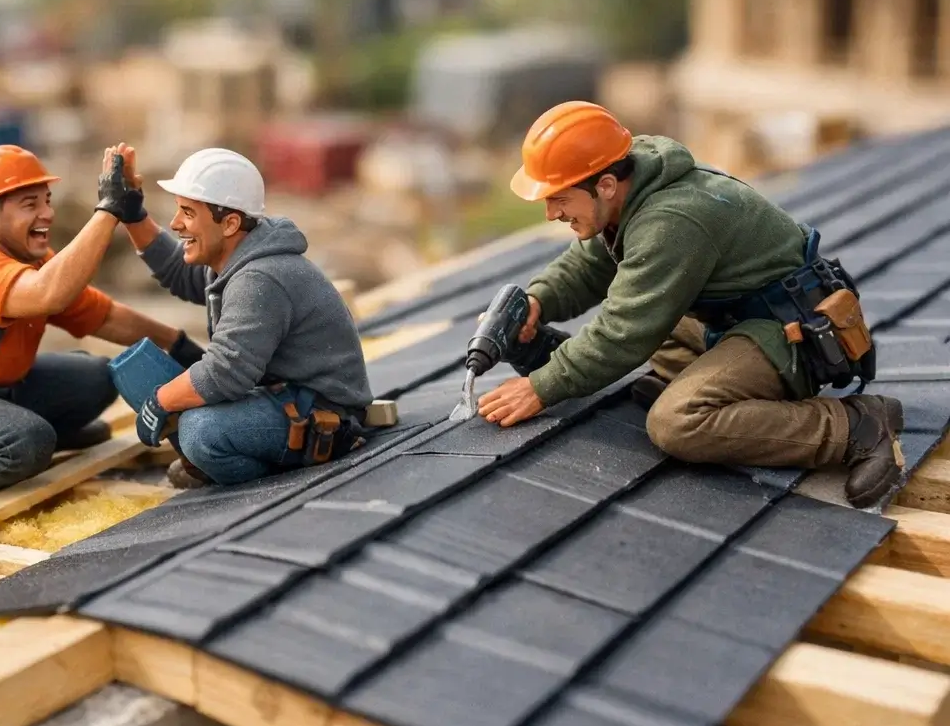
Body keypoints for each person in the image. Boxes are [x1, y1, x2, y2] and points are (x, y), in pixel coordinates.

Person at [476, 100, 903, 508]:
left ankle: (855, 425)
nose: (552, 213)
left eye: (559, 198)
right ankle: (706, 385)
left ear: (604, 185)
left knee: (676, 423)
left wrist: (542, 386)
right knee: (652, 313)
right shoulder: (629, 183)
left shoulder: (671, 222)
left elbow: (622, 334)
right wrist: (538, 300)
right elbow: (591, 265)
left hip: (790, 334)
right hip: (745, 316)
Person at [0, 143, 202, 522]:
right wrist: (108, 211)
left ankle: (19, 433)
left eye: (46, 201)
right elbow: (49, 293)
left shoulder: (31, 259)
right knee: (29, 443)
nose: (47, 213)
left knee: (99, 377)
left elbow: (105, 317)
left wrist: (181, 348)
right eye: (30, 205)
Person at [111, 145, 373, 488]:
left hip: (322, 416)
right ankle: (218, 460)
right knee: (138, 372)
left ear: (230, 222)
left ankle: (262, 479)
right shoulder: (235, 258)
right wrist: (132, 215)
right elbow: (178, 270)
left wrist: (160, 402)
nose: (176, 224)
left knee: (200, 432)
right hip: (281, 396)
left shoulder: (259, 278)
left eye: (188, 212)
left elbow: (224, 373)